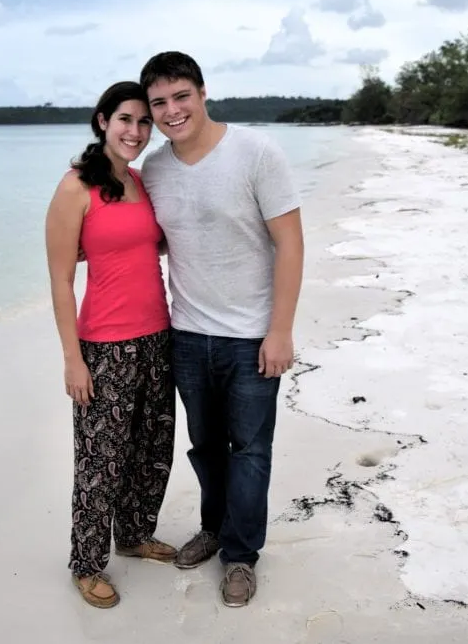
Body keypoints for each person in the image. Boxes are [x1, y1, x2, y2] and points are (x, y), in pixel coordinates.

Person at [138, 52, 305, 607]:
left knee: (251, 450)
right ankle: (214, 527)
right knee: (205, 446)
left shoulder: (256, 153)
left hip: (251, 336)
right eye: (158, 102)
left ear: (203, 93)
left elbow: (291, 243)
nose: (170, 110)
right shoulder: (156, 170)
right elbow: (153, 238)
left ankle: (240, 555)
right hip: (186, 334)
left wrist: (280, 330)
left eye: (180, 96)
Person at [44, 81, 178, 609]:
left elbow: (158, 245)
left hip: (158, 336)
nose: (137, 131)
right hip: (104, 346)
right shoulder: (76, 187)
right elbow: (59, 280)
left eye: (145, 123)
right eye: (127, 119)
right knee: (100, 460)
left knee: (152, 449)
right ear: (102, 121)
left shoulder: (144, 183)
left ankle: (135, 534)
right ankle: (86, 563)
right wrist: (72, 359)